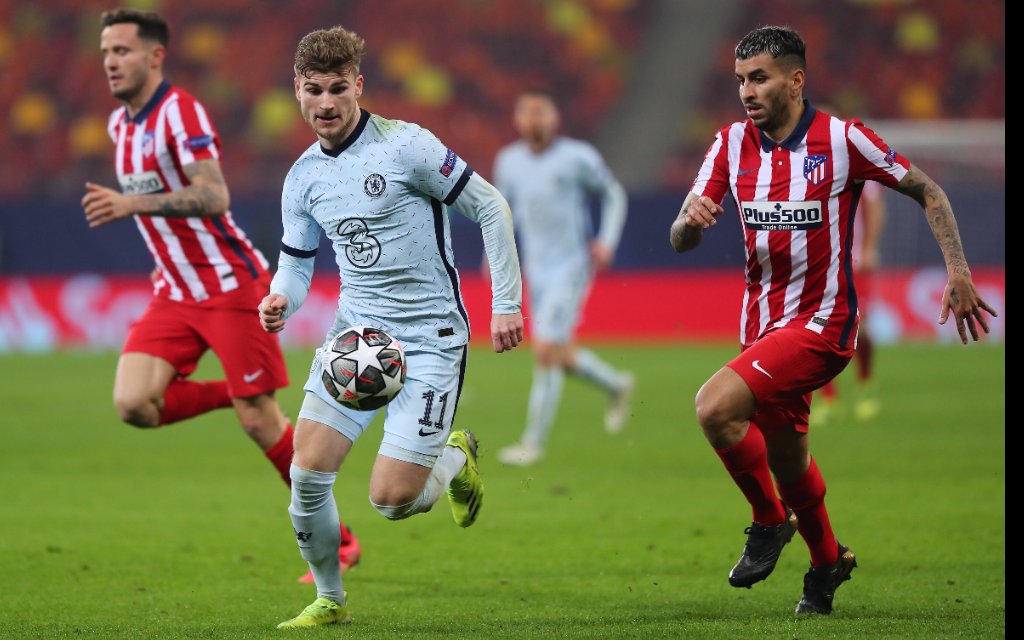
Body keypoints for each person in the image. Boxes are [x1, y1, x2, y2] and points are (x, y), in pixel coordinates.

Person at [669, 26, 997, 615]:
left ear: (795, 80)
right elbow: (680, 241)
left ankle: (768, 522)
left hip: (823, 324)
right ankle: (828, 564)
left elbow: (929, 191)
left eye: (760, 78)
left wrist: (958, 270)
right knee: (790, 462)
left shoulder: (844, 140)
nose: (747, 90)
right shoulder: (728, 146)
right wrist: (690, 221)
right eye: (741, 80)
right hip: (761, 329)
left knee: (714, 408)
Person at [81, 8, 361, 584]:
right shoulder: (119, 127)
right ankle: (239, 395)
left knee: (262, 423)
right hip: (174, 292)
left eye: (123, 51)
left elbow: (213, 194)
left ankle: (343, 542)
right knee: (134, 405)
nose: (111, 61)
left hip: (230, 285)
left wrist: (133, 202)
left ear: (155, 55)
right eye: (106, 51)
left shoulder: (179, 112)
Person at [258, 25, 523, 629]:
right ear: (296, 91)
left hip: (430, 341)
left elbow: (490, 205)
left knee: (392, 502)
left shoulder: (405, 147)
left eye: (336, 89)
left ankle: (456, 459)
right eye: (311, 90)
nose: (324, 103)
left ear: (358, 86)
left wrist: (505, 302)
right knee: (306, 473)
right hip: (357, 342)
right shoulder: (301, 178)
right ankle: (330, 599)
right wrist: (280, 298)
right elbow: (296, 267)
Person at [491, 89, 634, 467]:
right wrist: (500, 257)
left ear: (554, 118)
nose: (534, 120)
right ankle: (617, 385)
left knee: (545, 352)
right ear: (518, 120)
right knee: (559, 354)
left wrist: (606, 241)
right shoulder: (509, 161)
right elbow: (503, 213)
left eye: (542, 112)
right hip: (535, 269)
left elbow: (614, 194)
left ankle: (532, 444)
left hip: (571, 265)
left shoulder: (577, 157)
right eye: (527, 113)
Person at [813, 179, 885, 425]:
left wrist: (870, 248)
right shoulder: (816, 167)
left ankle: (865, 383)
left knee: (859, 327)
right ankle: (829, 398)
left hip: (854, 262)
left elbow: (874, 205)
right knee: (819, 327)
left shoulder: (859, 165)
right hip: (823, 263)